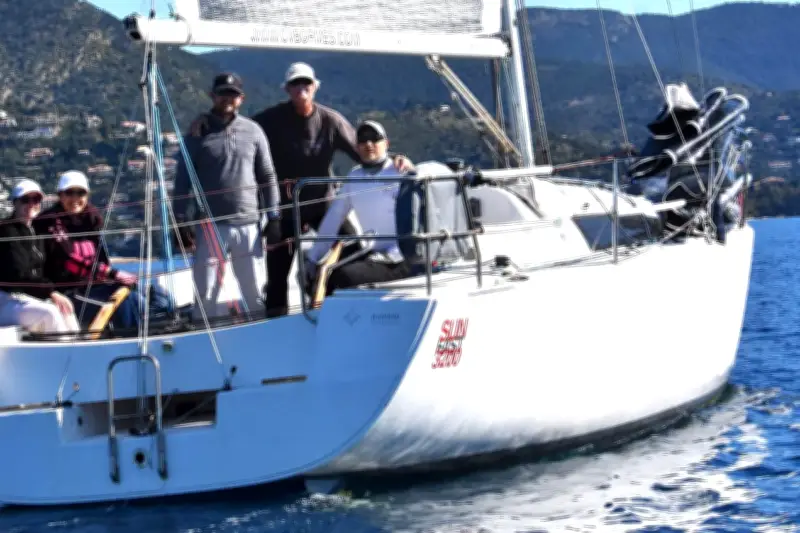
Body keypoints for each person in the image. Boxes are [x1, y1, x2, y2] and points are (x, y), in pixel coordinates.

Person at [173, 72, 281, 320]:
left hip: (249, 225)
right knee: (206, 293)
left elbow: (267, 175)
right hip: (210, 226)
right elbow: (182, 179)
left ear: (241, 98)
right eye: (222, 94)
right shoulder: (197, 133)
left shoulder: (254, 131)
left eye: (232, 94)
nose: (227, 99)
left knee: (253, 290)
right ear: (212, 96)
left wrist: (274, 217)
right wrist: (180, 220)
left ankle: (258, 337)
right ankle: (202, 339)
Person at [34, 171, 171, 330]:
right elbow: (69, 260)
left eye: (81, 193)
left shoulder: (90, 220)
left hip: (94, 287)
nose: (75, 198)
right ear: (60, 195)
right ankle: (130, 339)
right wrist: (113, 274)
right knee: (129, 301)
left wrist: (115, 279)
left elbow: (102, 259)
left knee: (158, 295)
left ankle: (159, 331)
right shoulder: (50, 222)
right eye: (69, 193)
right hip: (70, 292)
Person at [304, 121, 413, 295]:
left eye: (374, 139)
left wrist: (405, 161)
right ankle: (323, 317)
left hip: (401, 257)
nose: (368, 144)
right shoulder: (354, 177)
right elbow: (334, 218)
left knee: (342, 276)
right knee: (315, 277)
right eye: (362, 140)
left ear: (386, 143)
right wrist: (313, 257)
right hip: (373, 251)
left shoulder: (401, 171)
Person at [0, 179, 79, 334]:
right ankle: (64, 356)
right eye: (25, 200)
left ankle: (78, 351)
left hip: (27, 297)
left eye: (36, 200)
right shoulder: (6, 231)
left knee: (66, 309)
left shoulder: (36, 231)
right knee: (49, 314)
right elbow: (19, 274)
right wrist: (51, 292)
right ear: (15, 203)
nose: (31, 204)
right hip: (6, 299)